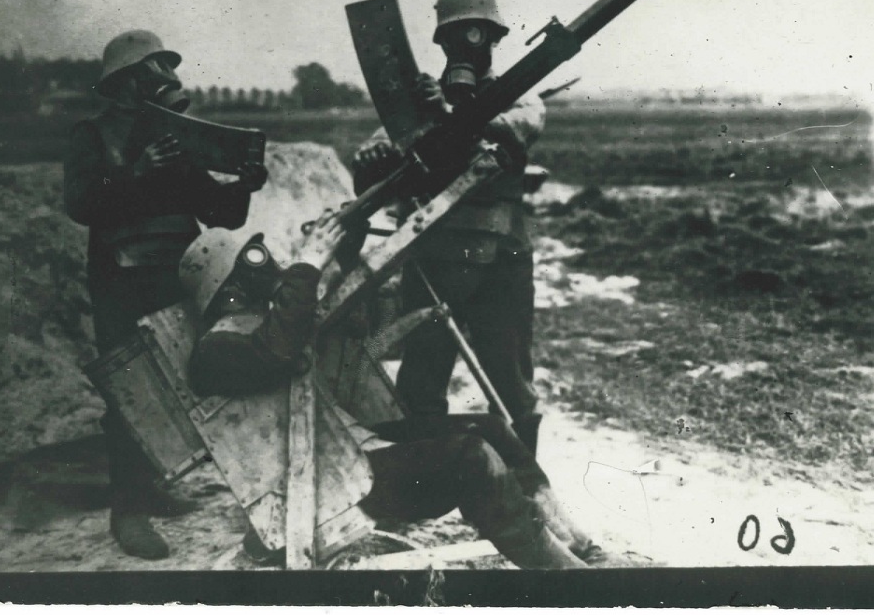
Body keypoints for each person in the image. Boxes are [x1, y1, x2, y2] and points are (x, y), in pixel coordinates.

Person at [186, 213, 606, 569]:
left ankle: (563, 531)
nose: (269, 265)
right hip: (333, 488)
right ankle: (562, 573)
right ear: (227, 284)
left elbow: (347, 333)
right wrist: (308, 264)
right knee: (471, 458)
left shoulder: (266, 326)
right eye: (254, 260)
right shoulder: (217, 349)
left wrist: (345, 251)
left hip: (342, 459)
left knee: (489, 427)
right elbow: (276, 351)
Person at [64, 29, 268, 560]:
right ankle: (127, 509)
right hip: (120, 277)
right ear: (127, 81)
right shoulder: (92, 135)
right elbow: (82, 204)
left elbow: (219, 212)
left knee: (179, 382)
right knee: (130, 388)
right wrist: (135, 172)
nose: (164, 80)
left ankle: (151, 486)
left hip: (175, 271)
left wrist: (243, 183)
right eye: (151, 71)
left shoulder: (176, 139)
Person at [351, 0, 546, 453]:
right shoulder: (418, 103)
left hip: (502, 257)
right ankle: (429, 475)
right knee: (424, 373)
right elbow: (371, 164)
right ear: (440, 43)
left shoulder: (516, 94)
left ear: (495, 38)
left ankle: (523, 488)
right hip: (438, 256)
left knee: (509, 376)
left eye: (478, 34)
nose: (467, 45)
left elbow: (523, 127)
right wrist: (375, 155)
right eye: (457, 36)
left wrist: (457, 112)